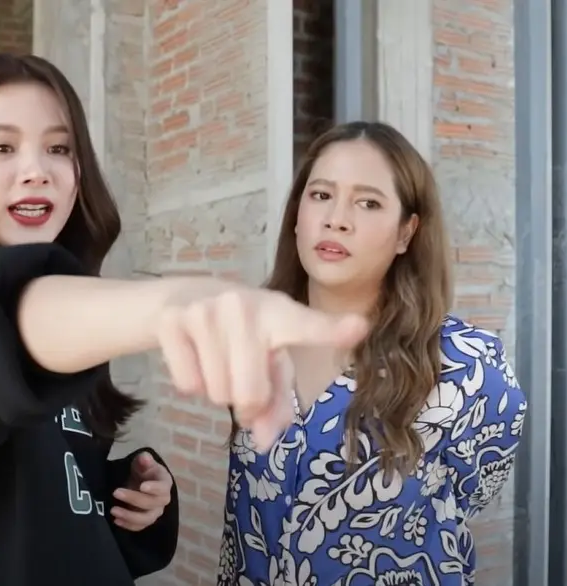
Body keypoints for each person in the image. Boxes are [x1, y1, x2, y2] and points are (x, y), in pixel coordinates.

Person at [0, 54, 369, 586]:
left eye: (59, 148)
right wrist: (167, 305)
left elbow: (44, 499)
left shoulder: (72, 328)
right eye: (1, 147)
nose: (36, 171)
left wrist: (130, 493)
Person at [215, 122, 527, 586]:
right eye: (321, 195)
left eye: (368, 203)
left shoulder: (469, 367)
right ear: (297, 215)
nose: (336, 219)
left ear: (406, 232)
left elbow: (470, 497)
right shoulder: (254, 341)